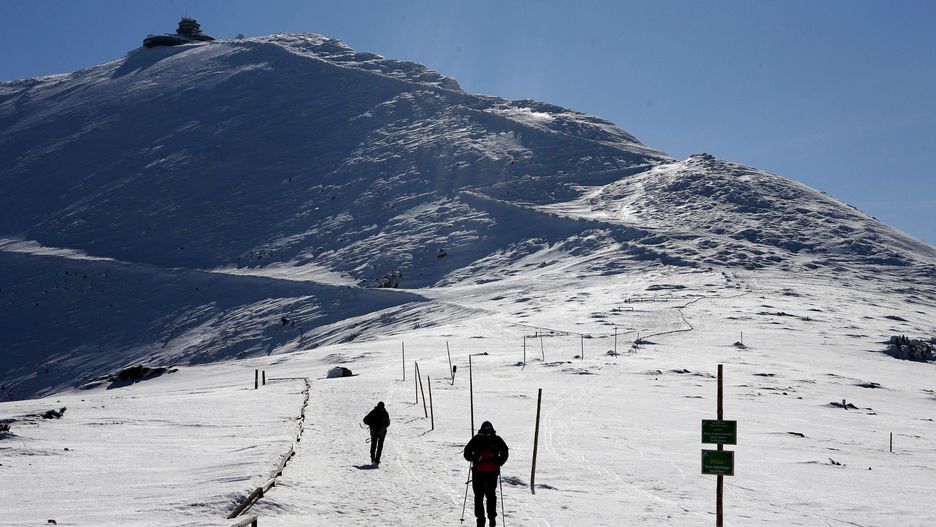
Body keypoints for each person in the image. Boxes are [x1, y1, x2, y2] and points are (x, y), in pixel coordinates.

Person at [463, 421, 509, 527]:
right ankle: (492, 518)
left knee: (478, 497)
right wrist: (498, 462)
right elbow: (505, 451)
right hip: (492, 474)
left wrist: (476, 458)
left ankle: (480, 520)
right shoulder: (496, 439)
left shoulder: (477, 439)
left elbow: (466, 453)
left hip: (478, 474)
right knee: (491, 496)